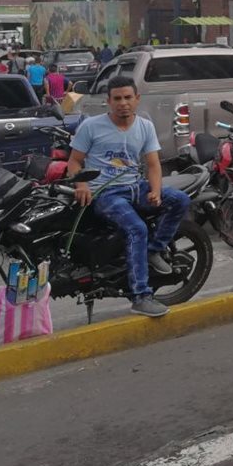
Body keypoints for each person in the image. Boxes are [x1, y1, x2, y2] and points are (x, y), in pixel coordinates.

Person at [66, 77, 191, 317]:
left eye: (127, 98)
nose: (123, 103)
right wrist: (81, 184)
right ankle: (141, 296)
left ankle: (153, 249)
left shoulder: (145, 126)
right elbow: (74, 161)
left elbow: (153, 165)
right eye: (117, 99)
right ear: (108, 102)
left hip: (136, 187)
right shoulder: (91, 126)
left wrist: (155, 191)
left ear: (137, 99)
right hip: (106, 194)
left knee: (179, 200)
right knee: (137, 229)